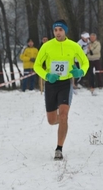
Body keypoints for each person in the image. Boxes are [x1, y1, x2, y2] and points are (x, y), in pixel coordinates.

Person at [33, 19, 89, 160]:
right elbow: (37, 66)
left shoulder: (73, 46)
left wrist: (80, 72)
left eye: (60, 30)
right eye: (55, 30)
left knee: (64, 115)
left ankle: (59, 149)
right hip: (51, 84)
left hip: (65, 84)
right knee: (52, 121)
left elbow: (85, 62)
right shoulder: (47, 46)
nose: (58, 33)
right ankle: (62, 122)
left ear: (65, 31)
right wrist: (47, 75)